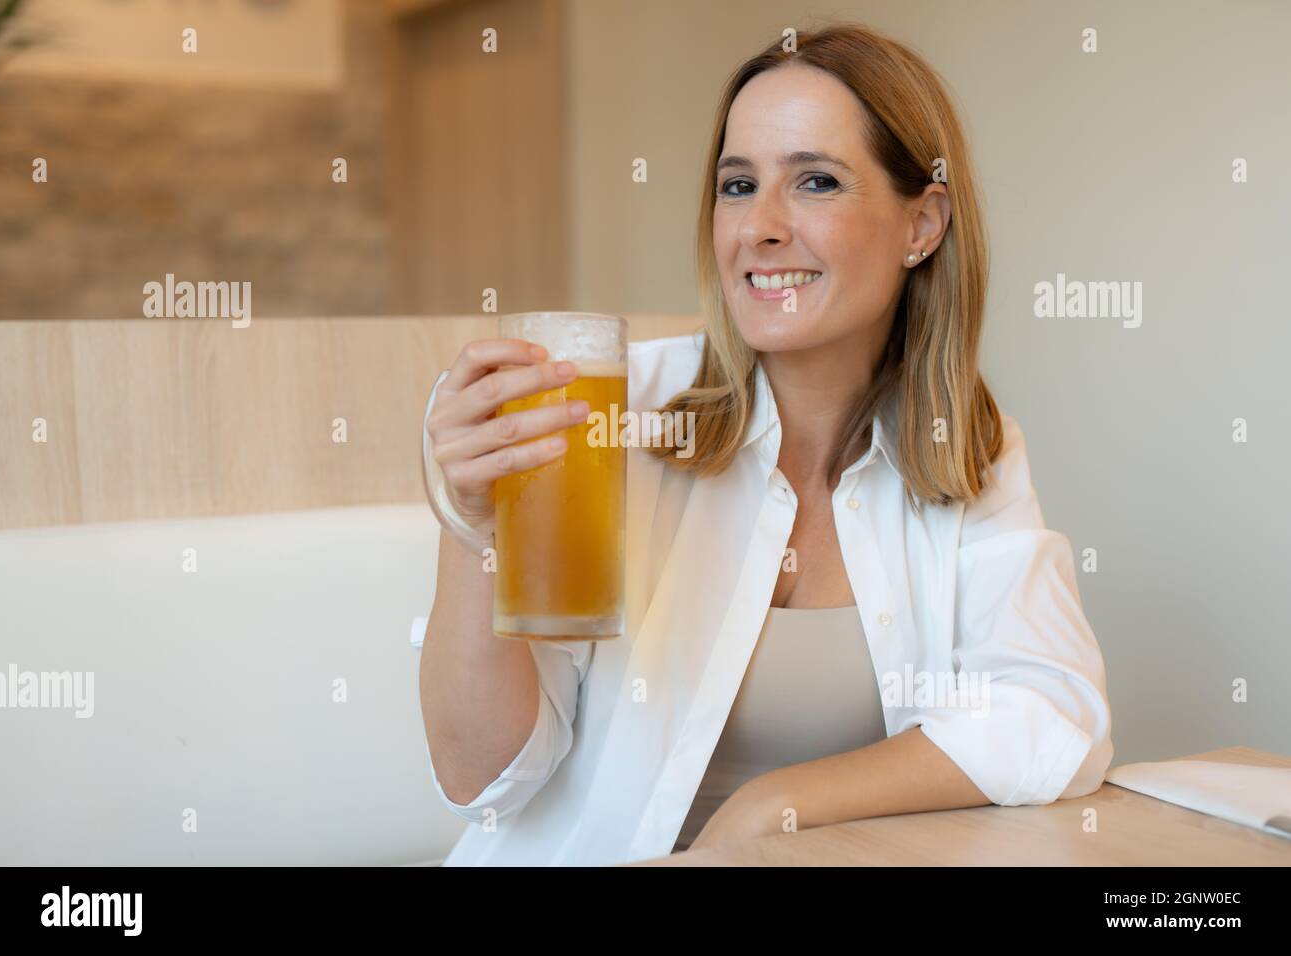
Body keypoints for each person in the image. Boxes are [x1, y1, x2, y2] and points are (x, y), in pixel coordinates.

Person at [416, 23, 1113, 866]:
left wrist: (773, 804)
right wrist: (470, 529)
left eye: (815, 181)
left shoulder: (966, 443)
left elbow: (1053, 710)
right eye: (737, 186)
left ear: (922, 224)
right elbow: (482, 779)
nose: (761, 228)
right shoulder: (610, 413)